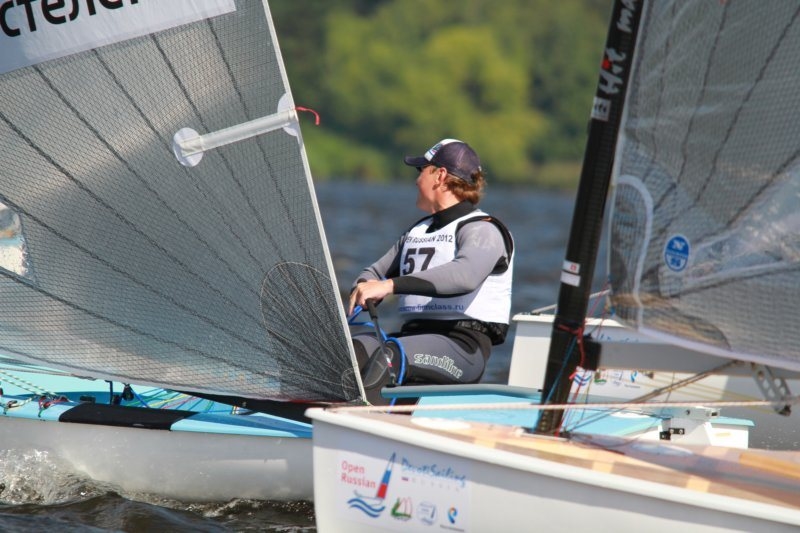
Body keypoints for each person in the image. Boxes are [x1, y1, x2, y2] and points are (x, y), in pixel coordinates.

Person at [348, 138, 514, 404]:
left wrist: (389, 286)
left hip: (463, 347)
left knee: (389, 355)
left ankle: (352, 422)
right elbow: (373, 273)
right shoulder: (417, 232)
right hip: (413, 338)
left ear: (440, 175)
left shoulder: (483, 229)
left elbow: (465, 276)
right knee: (354, 350)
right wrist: (364, 285)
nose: (416, 181)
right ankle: (309, 413)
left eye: (421, 171)